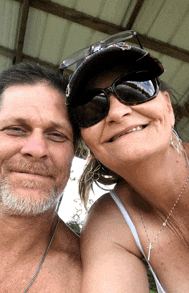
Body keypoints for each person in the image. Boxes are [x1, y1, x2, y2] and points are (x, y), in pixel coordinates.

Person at [60, 30, 189, 292]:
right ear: (89, 146)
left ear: (168, 107)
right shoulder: (109, 223)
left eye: (136, 88)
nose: (117, 112)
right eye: (92, 107)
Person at [0, 62, 82, 292]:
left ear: (74, 151)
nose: (37, 149)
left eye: (57, 134)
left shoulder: (92, 277)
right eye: (16, 129)